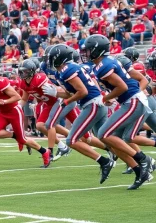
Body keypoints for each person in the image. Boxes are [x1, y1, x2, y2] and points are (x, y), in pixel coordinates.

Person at [84, 35, 152, 190]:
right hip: (129, 101)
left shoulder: (104, 65)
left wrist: (105, 98)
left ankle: (143, 159)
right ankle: (138, 170)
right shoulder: (103, 64)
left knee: (103, 134)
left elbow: (123, 87)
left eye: (88, 50)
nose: (86, 53)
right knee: (112, 139)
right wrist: (109, 98)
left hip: (133, 100)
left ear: (97, 50)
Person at [43, 44, 114, 183]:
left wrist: (66, 101)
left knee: (72, 140)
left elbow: (83, 92)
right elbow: (71, 92)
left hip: (93, 104)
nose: (48, 61)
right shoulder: (60, 72)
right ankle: (140, 163)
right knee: (108, 138)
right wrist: (56, 93)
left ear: (59, 58)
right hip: (92, 104)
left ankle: (105, 161)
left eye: (51, 58)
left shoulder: (68, 69)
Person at [0, 63, 50, 167]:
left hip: (14, 111)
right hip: (3, 113)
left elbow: (17, 97)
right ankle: (15, 135)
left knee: (23, 139)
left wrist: (3, 101)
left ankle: (44, 152)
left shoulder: (0, 82)